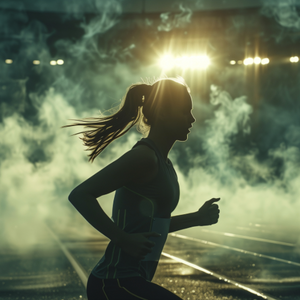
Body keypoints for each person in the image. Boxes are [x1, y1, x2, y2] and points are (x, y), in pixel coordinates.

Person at [64, 77, 220, 300]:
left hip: (129, 280)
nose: (192, 119)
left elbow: (154, 226)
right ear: (163, 113)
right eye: (185, 111)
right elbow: (80, 195)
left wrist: (196, 218)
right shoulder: (144, 158)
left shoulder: (164, 163)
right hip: (114, 283)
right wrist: (122, 238)